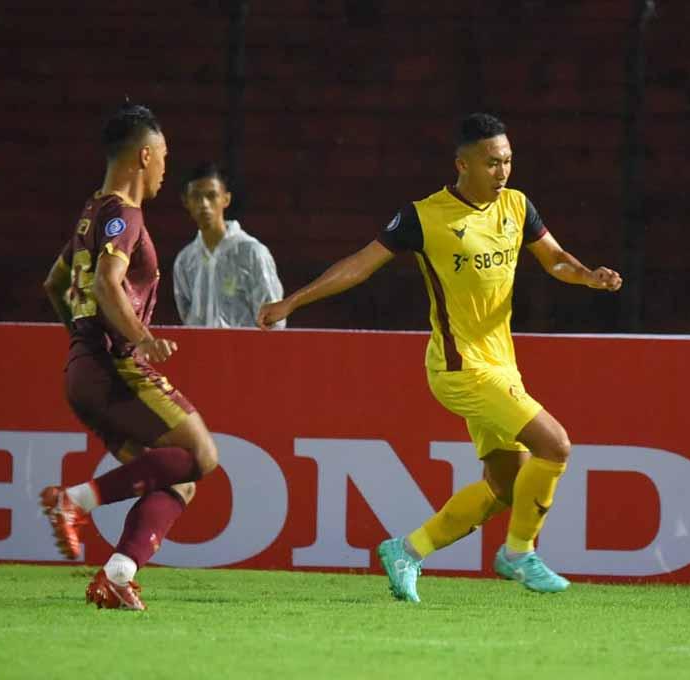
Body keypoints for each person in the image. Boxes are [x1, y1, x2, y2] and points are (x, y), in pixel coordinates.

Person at [257, 113, 622, 602]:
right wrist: (292, 302)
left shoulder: (517, 206)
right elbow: (359, 266)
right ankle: (518, 553)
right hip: (459, 368)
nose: (503, 172)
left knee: (506, 488)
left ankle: (407, 550)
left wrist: (587, 275)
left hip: (501, 364)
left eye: (508, 161)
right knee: (555, 446)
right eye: (492, 163)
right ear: (462, 164)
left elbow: (554, 259)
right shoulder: (423, 217)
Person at [40, 102, 219, 610]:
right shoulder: (125, 214)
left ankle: (118, 575)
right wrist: (138, 338)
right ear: (144, 155)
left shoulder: (91, 214)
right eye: (163, 156)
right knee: (203, 455)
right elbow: (105, 282)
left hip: (83, 372)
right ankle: (74, 502)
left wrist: (80, 339)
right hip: (112, 366)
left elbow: (54, 282)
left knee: (179, 480)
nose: (166, 167)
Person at [173, 162, 285, 328]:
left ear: (226, 199)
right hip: (203, 352)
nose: (204, 204)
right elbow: (187, 315)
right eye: (196, 196)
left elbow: (274, 318)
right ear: (186, 202)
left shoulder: (252, 252)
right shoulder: (185, 260)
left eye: (211, 196)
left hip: (245, 351)